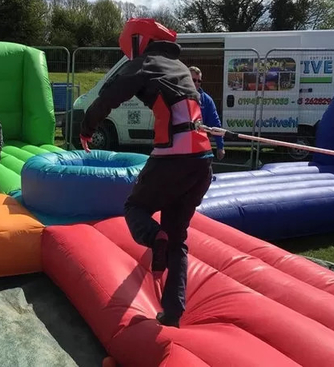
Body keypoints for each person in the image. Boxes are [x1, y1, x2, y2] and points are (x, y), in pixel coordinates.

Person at [79, 18, 214, 328]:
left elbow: (110, 96)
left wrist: (87, 127)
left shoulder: (146, 63)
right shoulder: (178, 66)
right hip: (201, 162)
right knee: (178, 238)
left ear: (138, 41)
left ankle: (155, 238)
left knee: (135, 207)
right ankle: (173, 313)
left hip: (173, 159)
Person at [189, 66, 225, 160]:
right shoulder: (178, 97)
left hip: (199, 147)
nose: (196, 83)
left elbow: (215, 123)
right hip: (182, 146)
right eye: (193, 80)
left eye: (199, 81)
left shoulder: (207, 100)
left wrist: (220, 147)